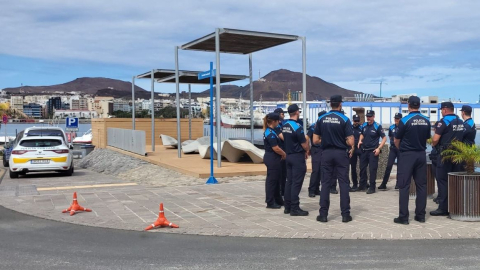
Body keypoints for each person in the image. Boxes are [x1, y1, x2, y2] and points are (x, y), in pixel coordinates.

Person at [313, 95, 354, 223]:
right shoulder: (345, 119)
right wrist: (343, 141)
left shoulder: (321, 118)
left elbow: (315, 140)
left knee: (325, 183)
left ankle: (323, 214)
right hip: (341, 154)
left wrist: (325, 141)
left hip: (326, 153)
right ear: (340, 104)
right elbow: (351, 141)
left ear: (330, 104)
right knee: (344, 183)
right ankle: (345, 215)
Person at [393, 96, 431, 224]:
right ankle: (420, 215)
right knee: (421, 186)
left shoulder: (405, 120)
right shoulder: (426, 120)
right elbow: (427, 138)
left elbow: (396, 140)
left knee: (404, 186)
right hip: (421, 154)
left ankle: (403, 217)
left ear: (408, 105)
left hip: (407, 155)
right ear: (419, 105)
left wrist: (401, 150)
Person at [430, 101, 464, 216]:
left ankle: (443, 208)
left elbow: (435, 139)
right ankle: (456, 206)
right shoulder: (460, 121)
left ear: (444, 110)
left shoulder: (444, 122)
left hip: (445, 155)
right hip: (458, 155)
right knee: (455, 181)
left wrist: (434, 145)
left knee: (443, 180)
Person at [282, 104, 310, 216]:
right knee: (296, 183)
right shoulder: (297, 126)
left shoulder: (285, 125)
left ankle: (287, 206)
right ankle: (295, 207)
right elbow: (304, 143)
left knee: (289, 182)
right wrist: (307, 150)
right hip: (297, 156)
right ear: (297, 112)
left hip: (288, 155)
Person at [358, 110, 387, 194]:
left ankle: (372, 187)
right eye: (367, 116)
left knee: (372, 170)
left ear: (373, 116)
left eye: (370, 116)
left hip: (373, 151)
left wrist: (379, 148)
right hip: (364, 150)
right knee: (362, 169)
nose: (368, 118)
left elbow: (384, 138)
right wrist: (360, 140)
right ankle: (363, 185)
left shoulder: (377, 126)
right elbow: (362, 134)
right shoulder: (364, 125)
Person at [263, 113, 286, 209]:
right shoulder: (270, 133)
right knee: (272, 181)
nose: (279, 122)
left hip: (275, 158)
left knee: (277, 180)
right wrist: (284, 153)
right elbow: (275, 148)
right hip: (272, 157)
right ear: (273, 121)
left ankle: (278, 199)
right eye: (277, 120)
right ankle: (270, 201)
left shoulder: (272, 131)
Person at [378, 113, 402, 190]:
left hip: (400, 149)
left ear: (400, 119)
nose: (396, 120)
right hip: (393, 148)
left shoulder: (403, 127)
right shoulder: (391, 127)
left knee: (400, 167)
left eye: (397, 119)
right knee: (389, 166)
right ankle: (384, 183)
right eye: (395, 118)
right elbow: (390, 137)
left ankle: (398, 184)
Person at [308, 111, 326, 197]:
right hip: (316, 149)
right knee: (316, 170)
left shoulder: (325, 126)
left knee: (321, 170)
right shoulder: (314, 126)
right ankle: (311, 189)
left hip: (323, 149)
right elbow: (307, 137)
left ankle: (316, 189)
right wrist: (307, 149)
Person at [273, 108, 287, 196]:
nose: (283, 115)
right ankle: (282, 190)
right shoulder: (277, 126)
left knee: (283, 173)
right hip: (280, 150)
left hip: (282, 149)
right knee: (281, 173)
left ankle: (282, 189)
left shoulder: (282, 124)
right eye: (282, 114)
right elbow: (282, 137)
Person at [349, 115, 362, 192]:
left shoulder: (361, 128)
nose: (356, 122)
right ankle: (354, 183)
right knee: (353, 167)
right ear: (352, 120)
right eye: (355, 121)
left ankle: (362, 182)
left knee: (362, 167)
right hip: (353, 149)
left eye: (357, 121)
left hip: (360, 149)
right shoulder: (350, 128)